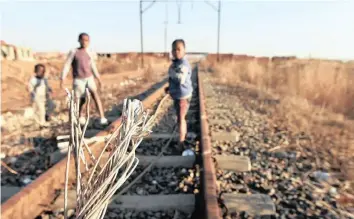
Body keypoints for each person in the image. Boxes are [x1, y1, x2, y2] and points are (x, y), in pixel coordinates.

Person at [60, 32, 108, 126]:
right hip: (78, 80)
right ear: (79, 40)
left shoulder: (89, 52)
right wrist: (62, 78)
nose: (85, 42)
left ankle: (102, 117)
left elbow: (92, 66)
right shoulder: (74, 52)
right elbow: (67, 65)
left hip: (89, 78)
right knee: (79, 99)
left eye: (87, 40)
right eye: (83, 40)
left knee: (95, 94)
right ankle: (78, 118)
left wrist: (98, 78)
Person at [165, 39, 193, 149]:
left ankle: (181, 142)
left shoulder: (183, 64)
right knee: (180, 117)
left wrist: (171, 72)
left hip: (183, 96)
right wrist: (170, 88)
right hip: (178, 94)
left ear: (184, 51)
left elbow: (180, 78)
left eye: (178, 49)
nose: (176, 52)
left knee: (181, 118)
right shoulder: (176, 63)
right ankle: (180, 138)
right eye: (174, 49)